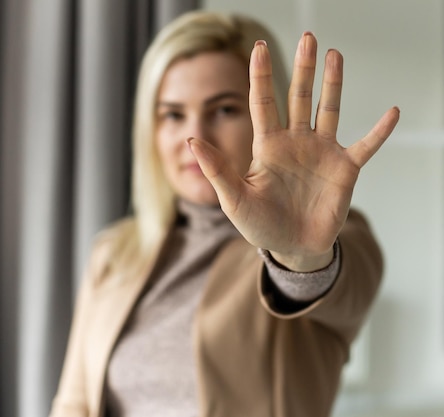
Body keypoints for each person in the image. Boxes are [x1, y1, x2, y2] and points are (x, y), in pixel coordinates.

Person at [49, 10, 399, 417]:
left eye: (224, 110)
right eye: (173, 114)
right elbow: (74, 402)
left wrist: (300, 257)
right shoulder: (114, 254)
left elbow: (329, 283)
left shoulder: (333, 239)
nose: (193, 136)